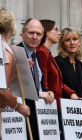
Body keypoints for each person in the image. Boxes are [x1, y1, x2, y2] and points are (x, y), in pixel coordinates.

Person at [36, 20, 82, 140]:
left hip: (57, 108)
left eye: (75, 39)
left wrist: (73, 94)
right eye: (56, 29)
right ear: (46, 33)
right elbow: (43, 82)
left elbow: (60, 83)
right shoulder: (42, 53)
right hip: (51, 108)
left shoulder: (48, 54)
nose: (59, 33)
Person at [17, 18, 54, 140]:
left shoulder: (36, 56)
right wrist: (40, 94)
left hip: (39, 116)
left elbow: (38, 83)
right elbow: (16, 88)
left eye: (38, 34)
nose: (34, 37)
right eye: (31, 33)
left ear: (42, 36)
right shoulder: (15, 53)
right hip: (21, 116)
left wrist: (47, 92)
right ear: (23, 32)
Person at [0, 7, 30, 138]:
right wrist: (18, 106)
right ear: (13, 28)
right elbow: (2, 89)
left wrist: (16, 67)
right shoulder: (5, 50)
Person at [55, 27, 82, 117]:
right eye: (68, 40)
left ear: (79, 43)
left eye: (75, 39)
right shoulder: (58, 61)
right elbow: (58, 86)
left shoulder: (79, 64)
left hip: (78, 114)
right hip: (64, 112)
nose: (72, 43)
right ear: (62, 44)